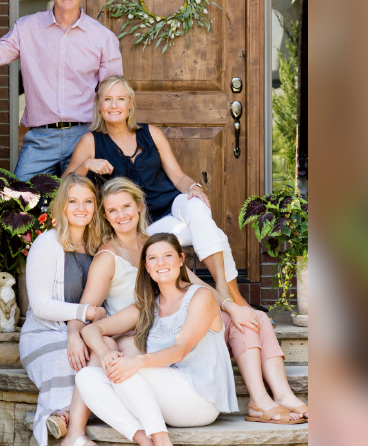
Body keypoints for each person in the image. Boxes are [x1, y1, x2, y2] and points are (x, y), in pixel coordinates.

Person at [64, 75, 236, 307]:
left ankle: (223, 290)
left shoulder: (150, 133)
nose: (114, 106)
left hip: (171, 208)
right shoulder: (91, 141)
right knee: (216, 234)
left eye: (120, 99)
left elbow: (179, 177)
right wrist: (86, 165)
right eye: (108, 99)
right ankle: (232, 300)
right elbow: (66, 185)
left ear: (130, 104)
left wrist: (194, 187)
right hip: (141, 225)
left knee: (197, 206)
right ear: (99, 105)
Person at [75, 233, 241, 446]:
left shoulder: (201, 296)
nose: (160, 263)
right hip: (167, 401)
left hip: (200, 401)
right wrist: (104, 352)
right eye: (153, 258)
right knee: (86, 377)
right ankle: (144, 439)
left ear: (181, 260)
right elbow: (92, 330)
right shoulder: (147, 306)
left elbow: (180, 350)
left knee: (126, 367)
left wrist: (137, 361)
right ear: (146, 266)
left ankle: (162, 443)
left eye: (167, 256)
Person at [0, 0, 123, 180]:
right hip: (40, 139)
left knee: (85, 205)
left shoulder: (103, 38)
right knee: (18, 203)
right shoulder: (26, 28)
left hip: (85, 137)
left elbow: (113, 97)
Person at [18, 173, 110, 446]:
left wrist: (88, 324)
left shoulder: (100, 246)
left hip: (86, 332)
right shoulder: (47, 244)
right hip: (44, 332)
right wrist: (87, 314)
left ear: (96, 207)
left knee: (108, 354)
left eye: (88, 201)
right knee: (69, 359)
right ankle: (72, 430)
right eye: (73, 201)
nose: (81, 208)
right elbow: (41, 305)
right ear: (62, 206)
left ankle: (64, 418)